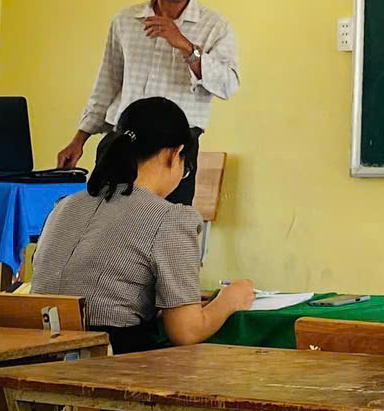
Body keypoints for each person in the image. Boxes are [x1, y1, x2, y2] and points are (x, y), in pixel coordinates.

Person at [31, 95, 254, 353]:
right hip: (109, 362)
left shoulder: (64, 206)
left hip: (35, 355)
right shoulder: (171, 218)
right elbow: (186, 331)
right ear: (175, 154)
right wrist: (229, 300)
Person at [57, 0, 241, 202]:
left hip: (174, 152)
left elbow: (228, 85)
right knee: (105, 221)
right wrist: (79, 139)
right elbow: (107, 84)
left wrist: (186, 47)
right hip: (123, 140)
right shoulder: (126, 20)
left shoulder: (215, 26)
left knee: (163, 225)